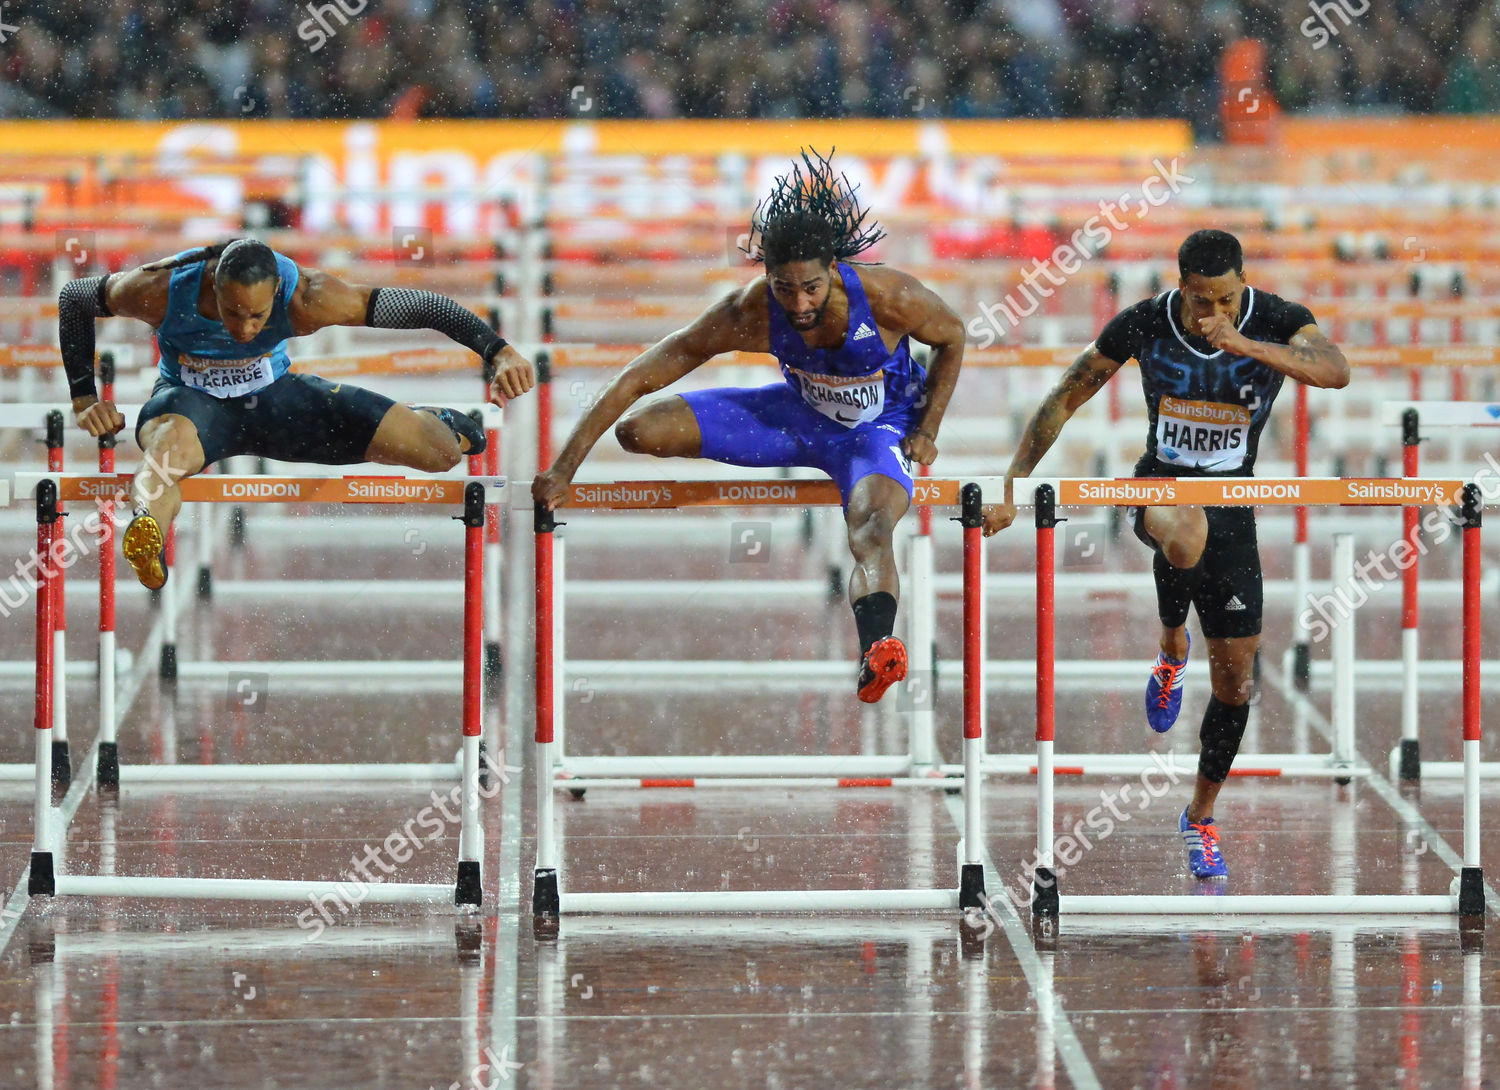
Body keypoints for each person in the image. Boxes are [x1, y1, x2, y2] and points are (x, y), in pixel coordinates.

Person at [532, 150, 965, 703]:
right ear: (766, 277)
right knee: (639, 432)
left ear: (835, 270)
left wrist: (928, 426)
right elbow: (641, 374)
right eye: (784, 289)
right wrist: (564, 467)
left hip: (878, 429)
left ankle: (876, 649)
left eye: (811, 287)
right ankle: (876, 640)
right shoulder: (750, 312)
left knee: (871, 527)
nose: (800, 304)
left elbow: (953, 336)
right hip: (794, 418)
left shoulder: (887, 298)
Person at [982, 229, 1349, 879]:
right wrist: (1010, 487)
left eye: (1227, 299)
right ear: (1182, 287)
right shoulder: (1146, 325)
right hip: (1161, 485)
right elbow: (1066, 394)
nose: (1215, 314)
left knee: (1237, 685)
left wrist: (1242, 342)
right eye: (1203, 301)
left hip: (1235, 504)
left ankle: (1200, 816)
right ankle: (1173, 643)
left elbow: (1334, 371)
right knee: (1184, 531)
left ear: (1243, 282)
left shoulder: (1278, 320)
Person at [59, 238, 536, 588]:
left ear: (278, 299)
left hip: (278, 401)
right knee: (164, 459)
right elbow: (74, 297)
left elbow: (424, 306)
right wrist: (85, 397)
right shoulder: (161, 288)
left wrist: (497, 351)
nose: (244, 328)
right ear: (213, 287)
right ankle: (147, 534)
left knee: (439, 455)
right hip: (190, 404)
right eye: (231, 312)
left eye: (257, 316)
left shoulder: (310, 296)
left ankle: (436, 420)